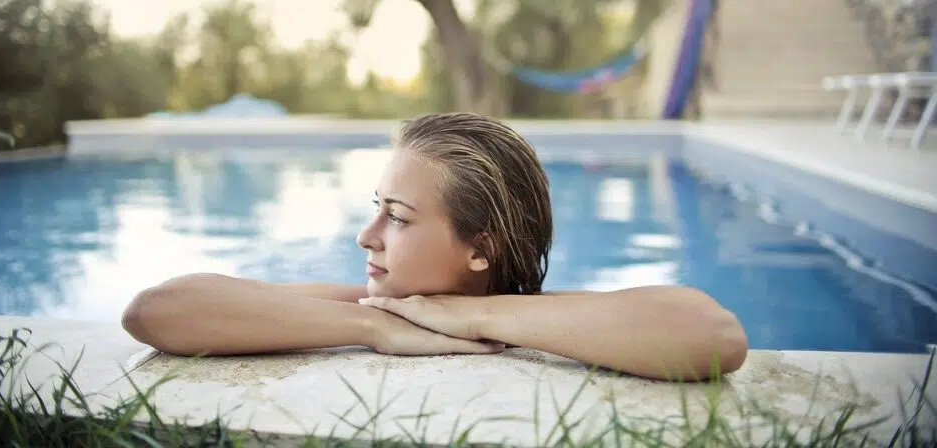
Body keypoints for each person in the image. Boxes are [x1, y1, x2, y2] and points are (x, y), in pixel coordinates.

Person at [122, 113, 748, 381]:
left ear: (480, 250)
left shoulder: (553, 318)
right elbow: (156, 310)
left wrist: (473, 315)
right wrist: (375, 331)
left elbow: (715, 336)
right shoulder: (372, 308)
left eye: (396, 217)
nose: (367, 236)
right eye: (377, 209)